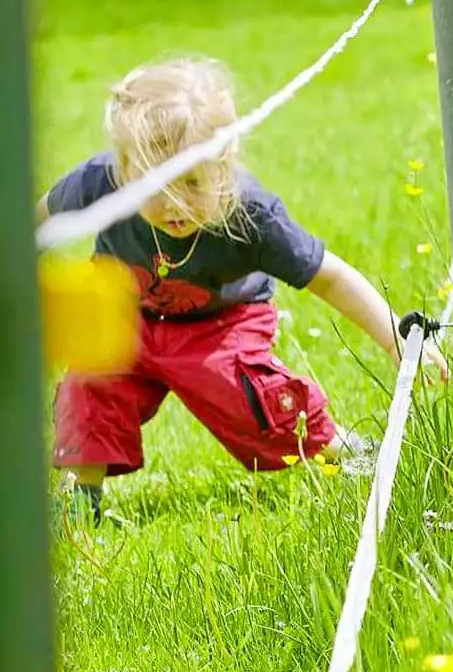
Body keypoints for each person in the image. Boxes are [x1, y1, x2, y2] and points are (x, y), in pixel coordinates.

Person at [45, 58, 402, 516]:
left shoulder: (253, 217)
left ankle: (338, 449)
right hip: (126, 313)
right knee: (90, 381)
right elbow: (41, 218)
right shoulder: (101, 182)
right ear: (125, 169)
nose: (175, 207)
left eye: (192, 185)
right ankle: (79, 498)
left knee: (241, 389)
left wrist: (392, 335)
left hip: (223, 320)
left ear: (224, 164)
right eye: (154, 189)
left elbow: (330, 276)